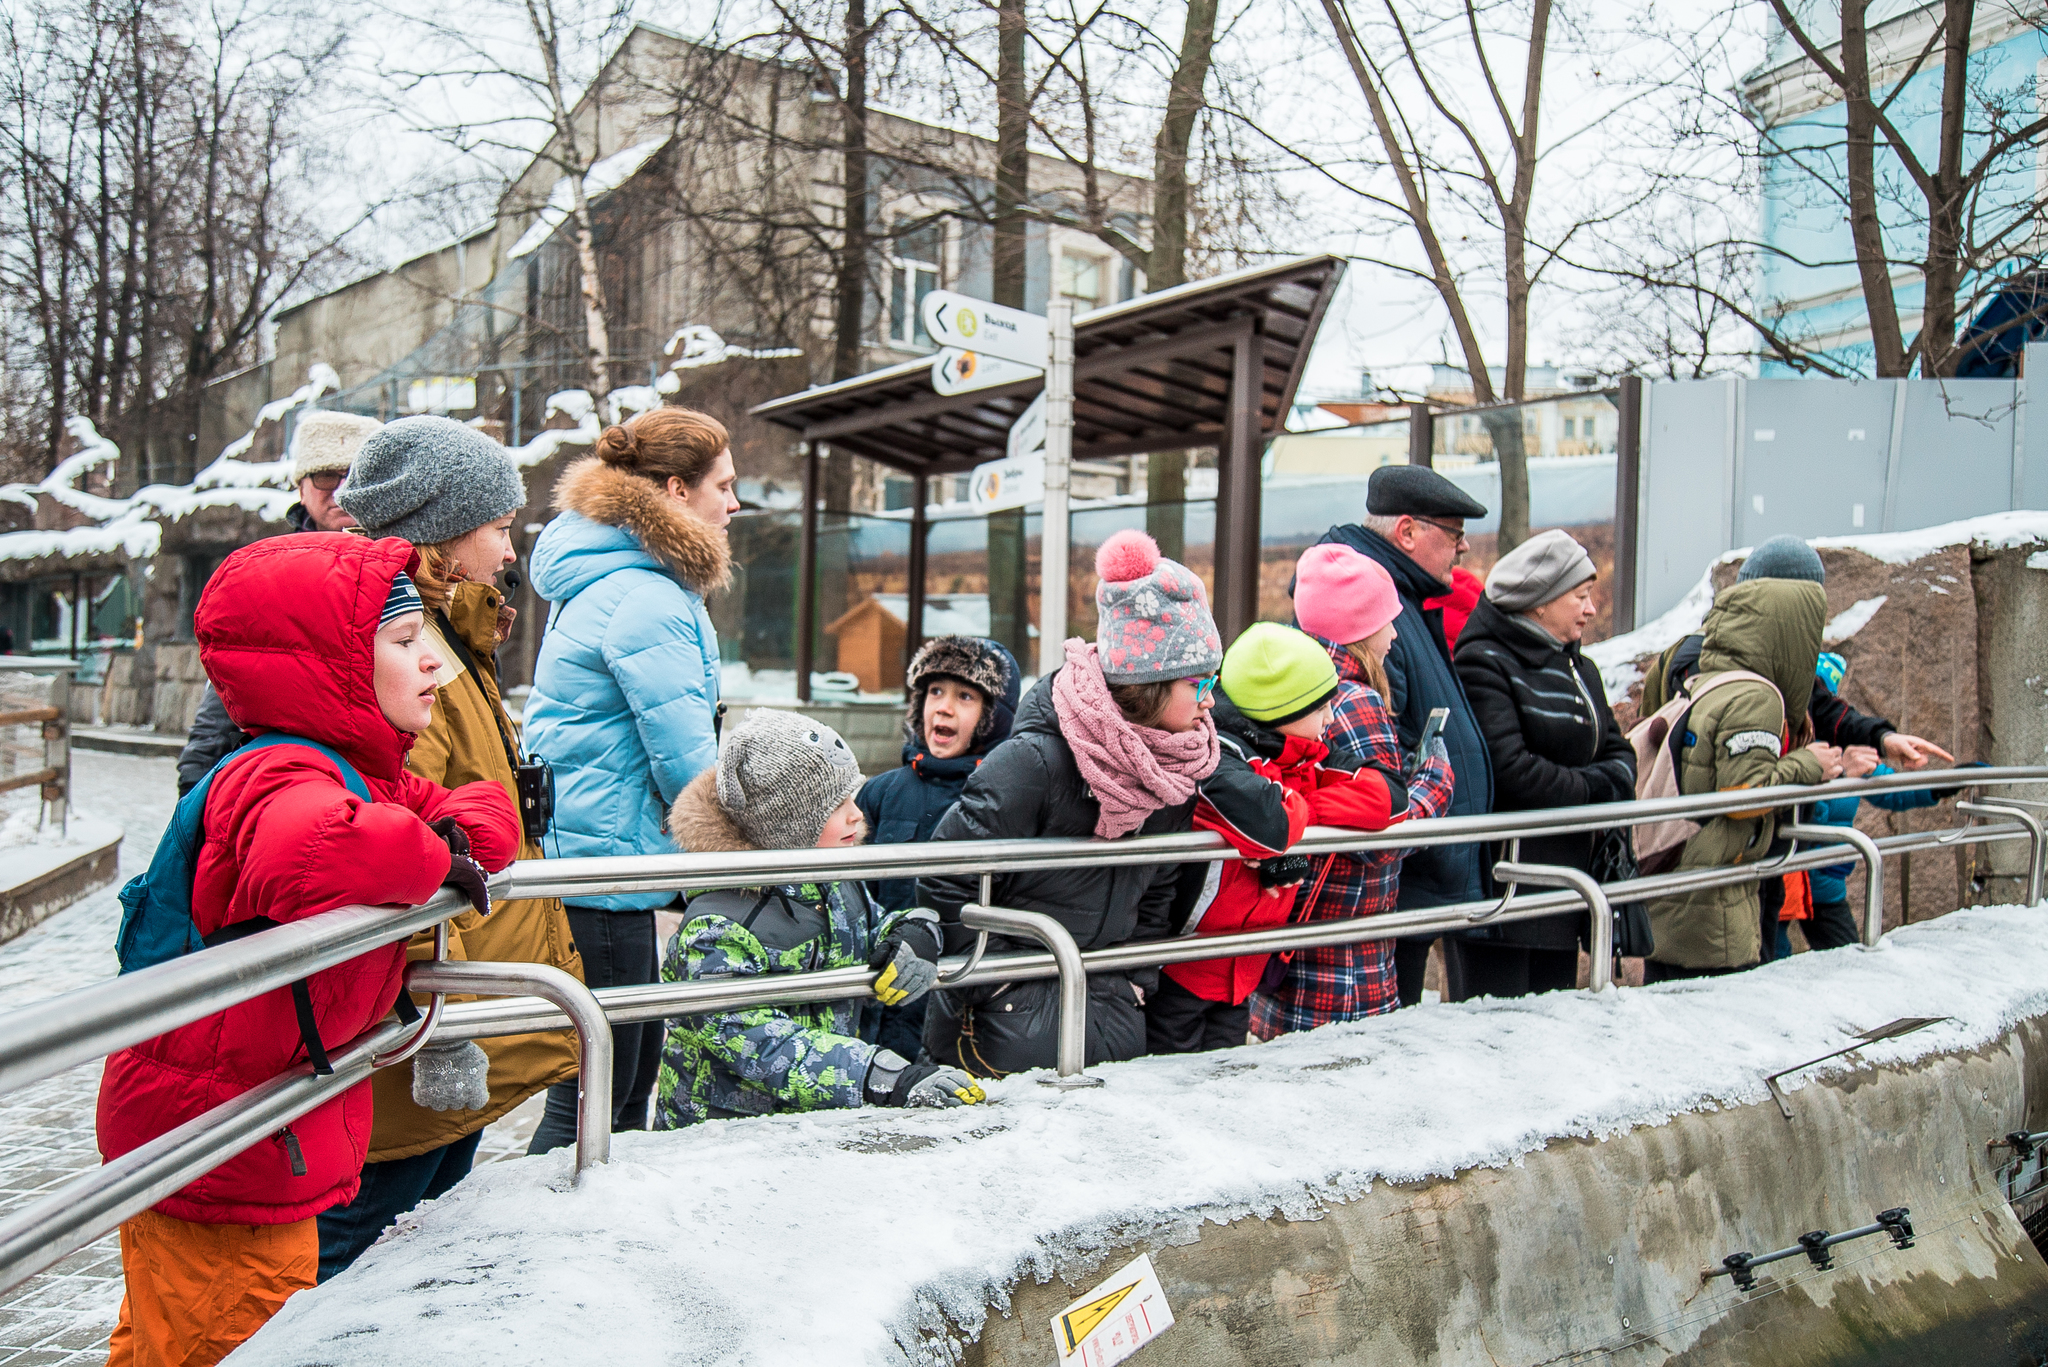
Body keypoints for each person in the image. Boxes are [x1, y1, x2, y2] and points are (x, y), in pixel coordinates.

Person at [95, 533, 517, 1366]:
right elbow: (312, 853)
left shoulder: (368, 774)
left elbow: (491, 814)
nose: (432, 663)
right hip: (224, 1157)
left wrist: (445, 836)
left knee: (170, 1343)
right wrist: (438, 851)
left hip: (256, 1142)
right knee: (231, 1343)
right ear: (328, 667)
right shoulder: (280, 771)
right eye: (404, 644)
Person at [313, 417, 583, 1279]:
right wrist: (445, 1022)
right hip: (423, 1030)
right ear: (441, 531)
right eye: (498, 527)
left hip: (446, 1017)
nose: (510, 550)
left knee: (415, 1236)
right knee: (363, 1249)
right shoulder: (409, 649)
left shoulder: (447, 637)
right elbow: (408, 845)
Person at [918, 530, 1222, 1076]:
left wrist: (1134, 978)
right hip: (994, 1026)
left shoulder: (1175, 770)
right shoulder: (1036, 762)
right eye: (1199, 683)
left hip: (1106, 1009)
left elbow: (1159, 885)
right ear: (1150, 682)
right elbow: (946, 874)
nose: (1211, 701)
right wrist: (994, 980)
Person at [522, 406, 738, 1147]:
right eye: (725, 485)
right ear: (676, 491)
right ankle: (541, 1246)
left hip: (591, 857)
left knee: (599, 1085)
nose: (734, 504)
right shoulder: (648, 596)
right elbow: (686, 765)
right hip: (608, 871)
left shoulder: (609, 573)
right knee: (602, 1096)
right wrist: (747, 854)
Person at [653, 709, 984, 1125]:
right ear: (786, 823)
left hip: (807, 1124)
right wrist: (876, 1073)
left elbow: (871, 924)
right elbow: (757, 1041)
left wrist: (914, 932)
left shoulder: (831, 880)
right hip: (718, 1138)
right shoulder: (717, 923)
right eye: (836, 805)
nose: (857, 814)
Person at [1147, 623, 1411, 1053]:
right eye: (1322, 706)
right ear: (1285, 708)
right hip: (1182, 967)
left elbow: (1389, 798)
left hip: (1246, 968)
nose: (1331, 719)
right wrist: (1288, 818)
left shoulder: (1304, 755)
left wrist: (1298, 811)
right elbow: (1270, 821)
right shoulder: (1215, 752)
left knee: (1224, 1083)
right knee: (1168, 1087)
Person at [1304, 464, 1494, 1004]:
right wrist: (1436, 774)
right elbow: (1379, 789)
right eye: (1454, 533)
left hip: (1417, 878)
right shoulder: (1365, 609)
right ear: (1407, 531)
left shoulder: (1402, 600)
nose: (1462, 549)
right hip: (1397, 887)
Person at [1251, 545, 1456, 1035]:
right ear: (1360, 627)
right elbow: (1380, 836)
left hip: (1292, 956)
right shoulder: (1355, 699)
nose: (1393, 635)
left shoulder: (1291, 692)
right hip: (1344, 974)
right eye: (1387, 620)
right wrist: (1434, 781)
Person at [1451, 530, 1636, 998]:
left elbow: (1620, 752)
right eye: (1580, 597)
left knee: (1553, 1028)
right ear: (1540, 602)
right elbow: (1512, 770)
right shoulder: (1483, 662)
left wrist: (1598, 781)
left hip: (1566, 888)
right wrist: (1598, 788)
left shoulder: (1581, 669)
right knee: (1498, 1034)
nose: (1591, 610)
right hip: (1508, 891)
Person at [1640, 574, 1843, 982]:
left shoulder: (1711, 684)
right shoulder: (1755, 698)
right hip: (1715, 909)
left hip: (1680, 894)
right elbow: (1743, 798)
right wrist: (1808, 765)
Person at [176, 410, 383, 793]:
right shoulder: (270, 573)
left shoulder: (412, 570)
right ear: (300, 486)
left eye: (353, 477)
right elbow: (232, 684)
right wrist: (196, 780)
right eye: (325, 476)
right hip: (294, 783)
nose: (340, 490)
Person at [1638, 536, 1953, 772]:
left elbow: (1818, 706)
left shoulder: (1769, 660)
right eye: (1808, 604)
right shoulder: (1700, 660)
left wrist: (1881, 739)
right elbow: (1727, 778)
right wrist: (1813, 769)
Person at [855, 635, 1020, 1059]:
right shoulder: (883, 792)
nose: (943, 707)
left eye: (965, 696)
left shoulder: (1008, 798)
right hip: (879, 1001)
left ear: (994, 717)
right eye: (935, 692)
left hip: (961, 1004)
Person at [1786, 653, 1980, 955]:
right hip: (1784, 879)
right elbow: (1787, 809)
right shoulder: (1791, 748)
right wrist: (1836, 779)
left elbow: (1892, 791)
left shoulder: (1852, 746)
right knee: (1772, 967)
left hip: (1826, 882)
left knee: (1848, 964)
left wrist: (1948, 783)